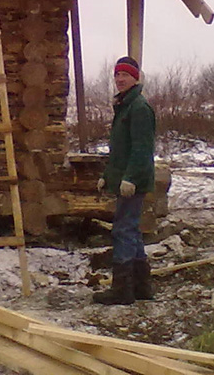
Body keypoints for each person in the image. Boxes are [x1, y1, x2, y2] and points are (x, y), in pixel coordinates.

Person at [93, 56, 156, 306]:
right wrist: (107, 176)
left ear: (135, 78)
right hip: (125, 178)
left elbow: (142, 148)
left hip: (134, 181)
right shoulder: (124, 106)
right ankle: (141, 286)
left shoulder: (139, 108)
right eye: (117, 75)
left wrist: (131, 178)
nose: (120, 79)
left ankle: (122, 290)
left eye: (125, 75)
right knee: (131, 230)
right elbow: (120, 150)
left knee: (123, 229)